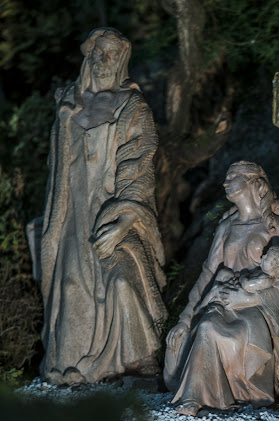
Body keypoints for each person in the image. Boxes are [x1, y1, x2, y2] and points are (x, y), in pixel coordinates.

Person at [37, 27, 167, 385]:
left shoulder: (132, 107)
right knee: (71, 285)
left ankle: (130, 361)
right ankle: (69, 365)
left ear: (122, 58)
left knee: (120, 278)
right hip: (70, 214)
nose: (103, 59)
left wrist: (124, 223)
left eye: (111, 53)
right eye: (98, 51)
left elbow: (139, 171)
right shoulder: (68, 103)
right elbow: (56, 168)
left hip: (112, 212)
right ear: (88, 54)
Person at [164, 161, 279, 416]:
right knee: (206, 325)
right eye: (226, 177)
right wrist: (185, 318)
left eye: (233, 177)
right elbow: (208, 274)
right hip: (222, 298)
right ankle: (196, 396)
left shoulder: (275, 226)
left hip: (258, 305)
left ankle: (246, 392)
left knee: (231, 329)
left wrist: (250, 297)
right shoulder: (226, 227)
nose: (225, 182)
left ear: (254, 182)